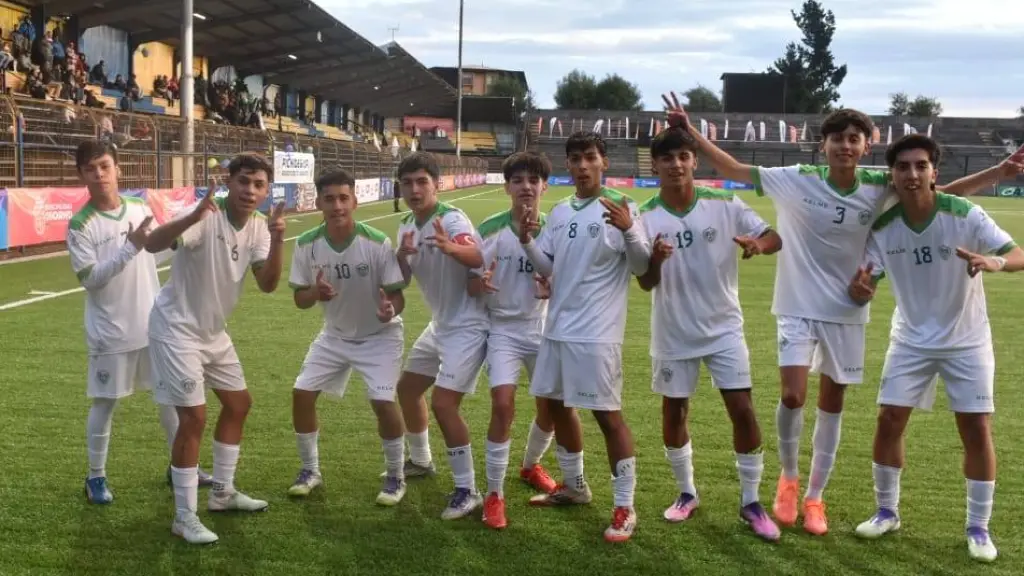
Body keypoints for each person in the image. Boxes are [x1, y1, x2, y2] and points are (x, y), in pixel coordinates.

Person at [662, 92, 1024, 535]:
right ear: (823, 145)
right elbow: (736, 170)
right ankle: (789, 479)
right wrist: (692, 131)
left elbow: (936, 192)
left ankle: (816, 496)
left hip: (849, 307)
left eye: (854, 139)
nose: (845, 146)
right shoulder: (797, 178)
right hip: (796, 305)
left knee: (833, 402)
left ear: (866, 145)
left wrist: (998, 174)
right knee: (794, 395)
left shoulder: (880, 182)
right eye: (837, 139)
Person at [848, 134, 1023, 563]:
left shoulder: (965, 213)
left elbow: (1017, 253)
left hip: (967, 341)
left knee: (975, 429)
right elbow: (863, 287)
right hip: (910, 339)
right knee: (889, 421)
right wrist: (861, 289)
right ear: (893, 175)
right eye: (903, 167)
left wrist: (993, 262)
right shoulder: (884, 229)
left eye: (920, 166)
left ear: (933, 172)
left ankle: (978, 528)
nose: (912, 174)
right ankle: (887, 511)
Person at [636, 127, 782, 541]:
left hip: (723, 328)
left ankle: (751, 502)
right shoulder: (645, 215)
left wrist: (757, 244)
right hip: (673, 330)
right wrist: (657, 262)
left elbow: (775, 236)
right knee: (674, 412)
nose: (676, 164)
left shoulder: (724, 202)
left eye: (683, 156)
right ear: (656, 166)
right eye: (667, 158)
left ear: (694, 161)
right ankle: (687, 493)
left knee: (742, 410)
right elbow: (645, 282)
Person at [144, 153, 286, 545]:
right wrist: (192, 216)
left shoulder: (259, 227)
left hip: (212, 333)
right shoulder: (204, 215)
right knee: (193, 418)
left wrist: (277, 238)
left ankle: (222, 493)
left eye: (259, 185)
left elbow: (269, 284)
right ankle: (184, 516)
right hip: (176, 329)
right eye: (244, 181)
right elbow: (151, 242)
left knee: (239, 404)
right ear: (229, 181)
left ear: (267, 189)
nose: (250, 191)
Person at [519, 131, 651, 542]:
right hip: (557, 330)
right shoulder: (559, 211)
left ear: (603, 163)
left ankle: (626, 507)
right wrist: (526, 240)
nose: (581, 165)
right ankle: (575, 486)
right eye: (574, 158)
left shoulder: (622, 207)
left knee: (608, 418)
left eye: (589, 157)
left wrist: (630, 230)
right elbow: (548, 264)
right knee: (558, 408)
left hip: (597, 335)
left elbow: (643, 267)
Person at [67, 140, 211, 504]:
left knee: (170, 400)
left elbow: (157, 250)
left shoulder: (138, 207)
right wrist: (130, 246)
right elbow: (91, 279)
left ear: (118, 169)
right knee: (105, 403)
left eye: (104, 165)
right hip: (110, 332)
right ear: (82, 175)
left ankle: (180, 465)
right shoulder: (80, 224)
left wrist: (184, 235)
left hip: (154, 325)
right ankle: (95, 477)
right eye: (91, 168)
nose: (99, 174)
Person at [286, 169, 409, 506]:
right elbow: (299, 299)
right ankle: (310, 470)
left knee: (383, 402)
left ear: (355, 200)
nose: (337, 205)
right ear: (319, 202)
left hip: (379, 336)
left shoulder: (376, 242)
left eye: (343, 198)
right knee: (301, 393)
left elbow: (397, 295)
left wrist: (390, 310)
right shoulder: (306, 244)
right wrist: (315, 293)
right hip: (335, 336)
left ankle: (396, 476)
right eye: (329, 199)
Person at [392, 152, 489, 519]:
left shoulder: (451, 218)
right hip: (441, 324)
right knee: (408, 388)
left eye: (422, 182)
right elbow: (400, 280)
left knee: (445, 405)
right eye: (407, 183)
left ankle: (467, 490)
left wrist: (453, 248)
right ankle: (421, 460)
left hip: (468, 326)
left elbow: (478, 255)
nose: (415, 189)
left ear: (436, 184)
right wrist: (401, 257)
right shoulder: (405, 224)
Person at [470, 151, 558, 530]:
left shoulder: (556, 226)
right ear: (506, 186)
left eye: (533, 180)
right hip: (503, 329)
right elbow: (470, 277)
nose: (526, 186)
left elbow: (566, 277)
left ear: (544, 185)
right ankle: (494, 493)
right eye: (518, 180)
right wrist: (479, 284)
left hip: (545, 329)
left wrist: (552, 286)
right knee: (503, 405)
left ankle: (530, 466)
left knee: (551, 409)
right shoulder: (490, 227)